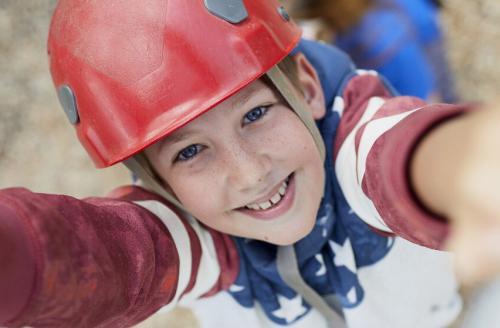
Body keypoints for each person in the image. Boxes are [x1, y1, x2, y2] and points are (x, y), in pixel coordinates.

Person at [1, 0, 500, 327]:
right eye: (189, 151)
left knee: (398, 48)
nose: (248, 174)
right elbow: (104, 255)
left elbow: (397, 158)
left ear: (305, 87)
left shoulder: (356, 153)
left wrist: (463, 162)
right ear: (158, 182)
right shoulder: (196, 238)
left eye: (256, 114)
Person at [285, 0, 458, 103]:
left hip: (412, 45)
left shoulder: (384, 40)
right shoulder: (349, 25)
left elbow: (426, 99)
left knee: (442, 89)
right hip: (412, 25)